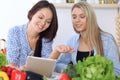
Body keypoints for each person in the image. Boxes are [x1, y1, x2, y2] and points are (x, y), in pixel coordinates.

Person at [53, 1, 120, 76]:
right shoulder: (72, 41)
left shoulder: (107, 40)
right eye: (74, 17)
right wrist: (74, 70)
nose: (77, 20)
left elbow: (117, 71)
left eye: (82, 16)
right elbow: (58, 64)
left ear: (90, 18)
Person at [6, 0, 58, 68]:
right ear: (32, 14)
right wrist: (22, 70)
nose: (43, 23)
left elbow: (46, 65)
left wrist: (57, 51)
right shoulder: (15, 32)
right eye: (40, 17)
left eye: (48, 22)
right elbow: (12, 64)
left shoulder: (46, 38)